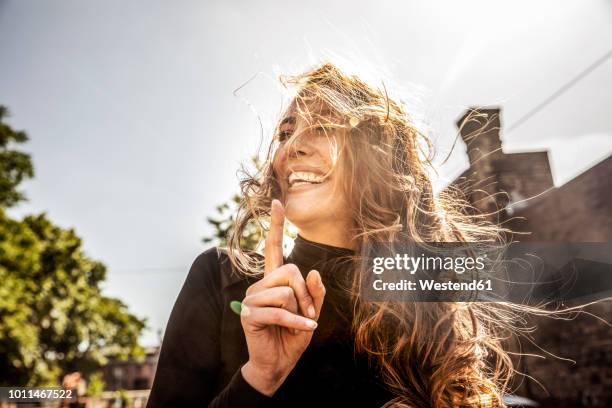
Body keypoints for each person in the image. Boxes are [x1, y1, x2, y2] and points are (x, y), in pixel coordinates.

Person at [147, 63, 520, 407]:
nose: (291, 147)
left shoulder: (426, 291)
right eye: (285, 132)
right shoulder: (222, 277)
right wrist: (259, 378)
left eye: (324, 126)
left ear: (379, 153)